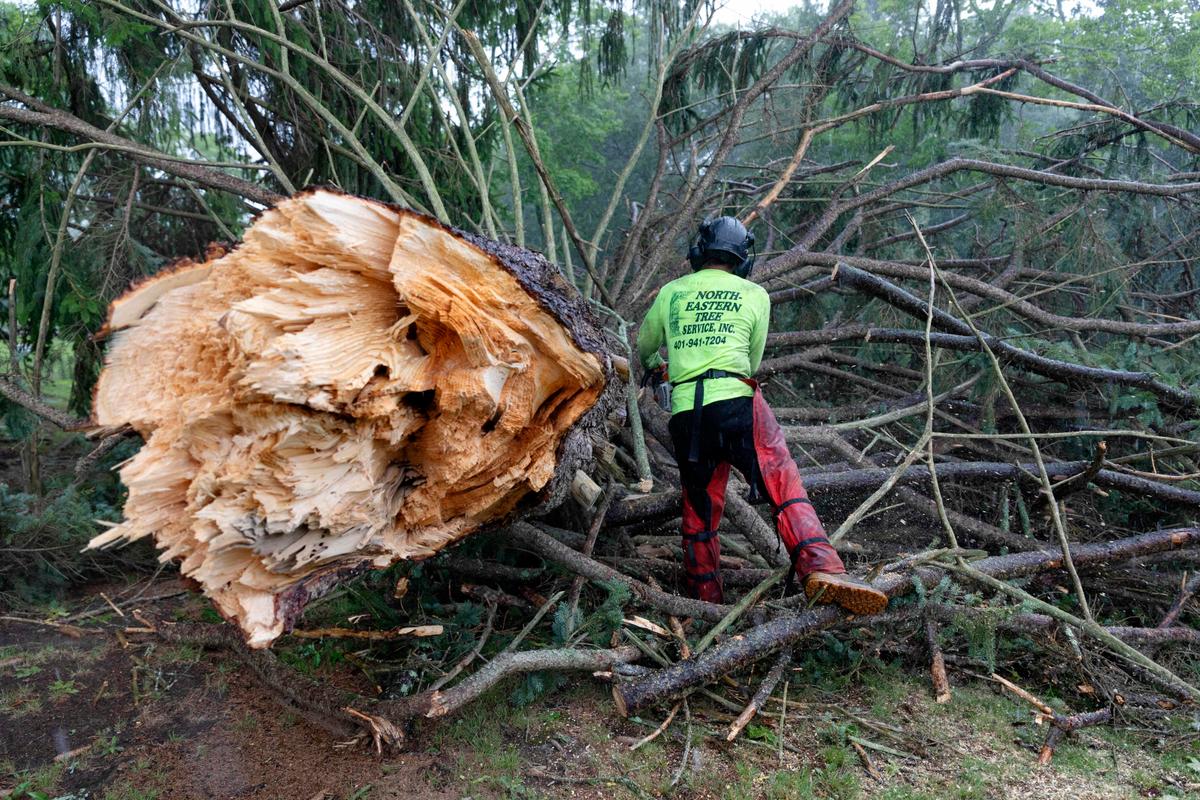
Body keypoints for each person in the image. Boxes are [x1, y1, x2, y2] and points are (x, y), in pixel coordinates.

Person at [636, 216, 888, 615]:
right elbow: (750, 363)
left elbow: (645, 343)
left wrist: (659, 365)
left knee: (699, 511)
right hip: (736, 403)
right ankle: (821, 566)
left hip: (687, 415)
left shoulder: (671, 292)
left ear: (699, 252)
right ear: (743, 259)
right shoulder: (753, 294)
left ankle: (708, 604)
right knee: (781, 480)